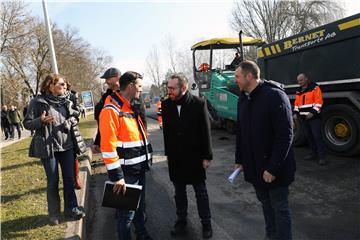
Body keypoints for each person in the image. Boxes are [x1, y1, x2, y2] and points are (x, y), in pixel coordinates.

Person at [234, 60, 296, 240]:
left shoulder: (275, 95)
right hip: (255, 168)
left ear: (249, 76)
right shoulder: (243, 99)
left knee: (280, 209)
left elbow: (285, 136)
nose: (235, 80)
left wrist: (273, 168)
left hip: (275, 170)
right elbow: (241, 133)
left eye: (237, 76)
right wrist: (240, 159)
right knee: (266, 207)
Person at [23, 73, 85, 226]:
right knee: (53, 182)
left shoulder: (67, 101)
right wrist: (40, 121)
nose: (65, 87)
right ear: (50, 86)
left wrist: (72, 119)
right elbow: (27, 123)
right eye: (62, 84)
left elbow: (75, 115)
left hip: (68, 147)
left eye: (65, 85)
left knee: (69, 180)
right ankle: (54, 214)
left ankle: (72, 209)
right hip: (48, 148)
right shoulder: (37, 102)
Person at [99, 71, 153, 240]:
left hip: (138, 169)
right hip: (126, 174)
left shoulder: (130, 106)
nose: (140, 90)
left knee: (138, 208)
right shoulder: (111, 110)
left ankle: (142, 235)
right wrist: (117, 177)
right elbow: (108, 148)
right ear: (130, 86)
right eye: (139, 86)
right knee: (126, 216)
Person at [161, 73, 213, 239]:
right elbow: (167, 133)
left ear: (183, 88)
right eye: (168, 87)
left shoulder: (198, 104)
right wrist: (168, 153)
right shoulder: (166, 105)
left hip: (195, 158)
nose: (169, 91)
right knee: (179, 193)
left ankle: (206, 224)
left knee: (201, 193)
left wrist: (207, 156)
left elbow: (206, 132)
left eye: (172, 88)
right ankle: (181, 221)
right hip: (176, 158)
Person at [294, 73, 326, 165]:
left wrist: (312, 112)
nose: (299, 82)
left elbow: (319, 102)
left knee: (317, 136)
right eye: (298, 81)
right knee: (309, 137)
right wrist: (295, 113)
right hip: (303, 118)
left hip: (314, 117)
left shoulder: (315, 88)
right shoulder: (298, 91)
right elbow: (296, 104)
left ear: (306, 79)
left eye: (301, 80)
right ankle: (313, 154)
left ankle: (322, 157)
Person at [64, 80, 87, 189]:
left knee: (73, 155)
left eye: (64, 84)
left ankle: (76, 178)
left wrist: (71, 117)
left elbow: (78, 112)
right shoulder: (50, 97)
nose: (63, 87)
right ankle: (69, 179)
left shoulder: (72, 96)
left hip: (71, 129)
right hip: (57, 130)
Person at [92, 67, 121, 154]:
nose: (106, 82)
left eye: (108, 79)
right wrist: (97, 142)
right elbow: (102, 122)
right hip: (112, 142)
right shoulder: (106, 97)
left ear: (117, 77)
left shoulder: (127, 94)